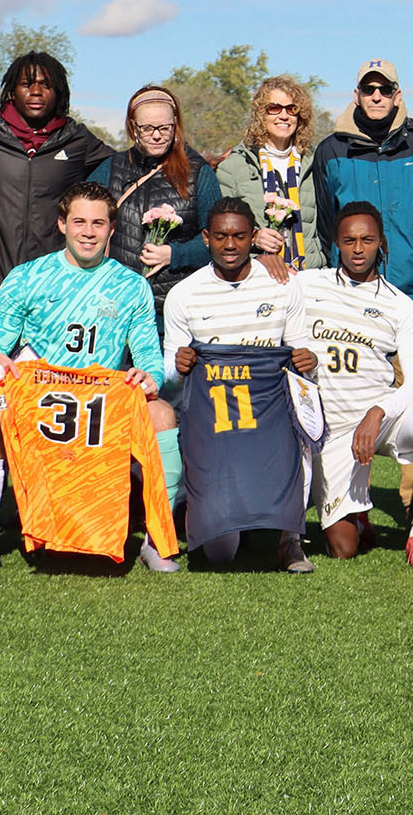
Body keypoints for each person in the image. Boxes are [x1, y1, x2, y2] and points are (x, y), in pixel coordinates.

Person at [0, 181, 180, 571]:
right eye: (80, 222)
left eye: (98, 224)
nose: (89, 231)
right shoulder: (26, 276)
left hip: (101, 401)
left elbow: (149, 356)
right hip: (43, 399)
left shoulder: (131, 285)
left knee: (163, 415)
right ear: (62, 224)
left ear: (112, 230)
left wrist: (149, 376)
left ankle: (157, 540)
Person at [288, 202, 413, 568]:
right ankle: (358, 518)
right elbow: (262, 286)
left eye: (367, 240)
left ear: (381, 244)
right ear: (336, 244)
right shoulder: (307, 284)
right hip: (327, 429)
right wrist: (269, 263)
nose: (358, 249)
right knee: (343, 548)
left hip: (377, 420)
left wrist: (378, 411)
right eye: (349, 240)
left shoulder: (400, 305)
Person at [163, 197, 314, 571]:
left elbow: (301, 349)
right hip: (216, 421)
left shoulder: (282, 284)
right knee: (220, 554)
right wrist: (178, 366)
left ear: (253, 238)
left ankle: (291, 539)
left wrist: (307, 360)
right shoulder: (184, 294)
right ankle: (227, 513)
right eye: (220, 236)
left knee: (304, 434)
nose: (230, 245)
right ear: (205, 238)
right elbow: (168, 373)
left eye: (239, 236)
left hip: (271, 414)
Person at [0, 51, 113, 289]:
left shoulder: (77, 140)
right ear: (13, 90)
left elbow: (123, 168)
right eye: (26, 84)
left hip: (56, 284)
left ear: (58, 92)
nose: (36, 92)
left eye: (46, 85)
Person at [309, 59, 413, 304]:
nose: (377, 96)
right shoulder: (330, 150)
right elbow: (326, 224)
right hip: (351, 292)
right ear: (357, 95)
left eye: (385, 90)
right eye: (368, 89)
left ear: (397, 96)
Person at [86, 85, 221, 320]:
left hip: (174, 310)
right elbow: (83, 225)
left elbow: (217, 239)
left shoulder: (198, 172)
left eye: (164, 128)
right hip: (115, 308)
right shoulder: (111, 169)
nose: (156, 135)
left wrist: (175, 254)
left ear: (175, 124)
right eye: (147, 128)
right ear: (133, 126)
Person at [215, 75, 323, 272]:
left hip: (309, 275)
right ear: (260, 114)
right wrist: (254, 237)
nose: (284, 116)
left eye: (292, 109)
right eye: (274, 108)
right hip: (258, 273)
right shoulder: (234, 167)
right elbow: (220, 231)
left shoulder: (315, 163)